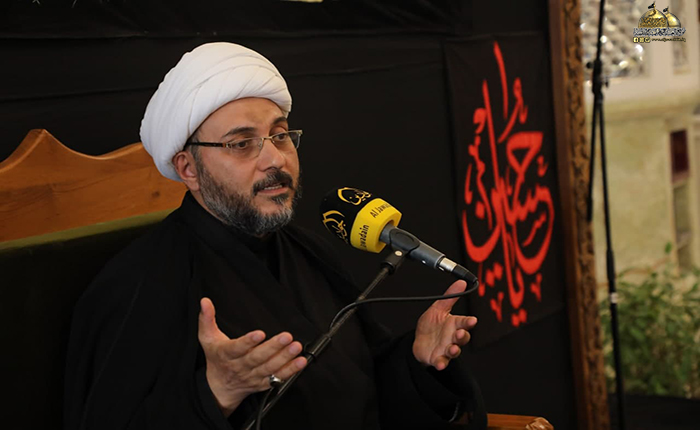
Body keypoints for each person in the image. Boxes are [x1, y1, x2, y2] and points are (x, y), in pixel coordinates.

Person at [64, 42, 482, 430]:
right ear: (189, 169)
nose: (274, 159)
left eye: (280, 135)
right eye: (241, 143)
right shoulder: (140, 284)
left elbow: (357, 389)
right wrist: (216, 394)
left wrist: (417, 360)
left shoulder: (308, 251)